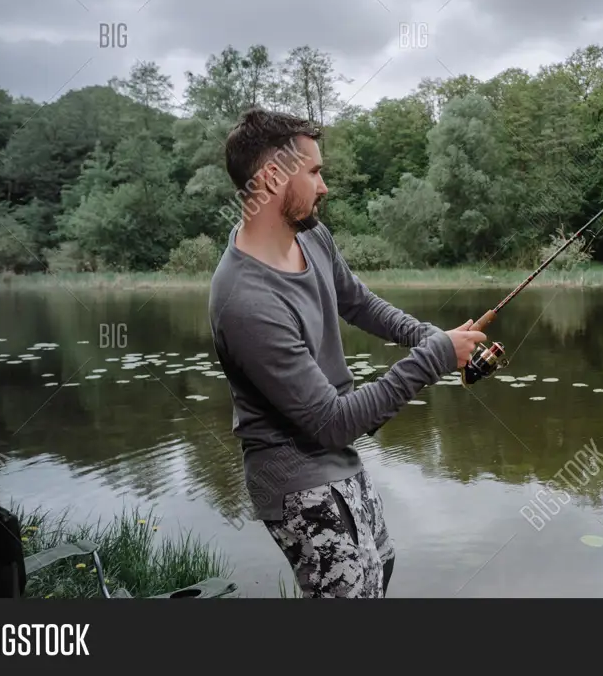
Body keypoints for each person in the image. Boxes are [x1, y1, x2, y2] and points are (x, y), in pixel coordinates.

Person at [208, 107, 487, 598]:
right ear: (273, 177)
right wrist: (436, 357)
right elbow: (332, 421)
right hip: (296, 477)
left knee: (382, 567)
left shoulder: (310, 235)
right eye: (314, 172)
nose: (324, 186)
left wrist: (429, 336)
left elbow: (356, 301)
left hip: (336, 455)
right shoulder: (245, 301)